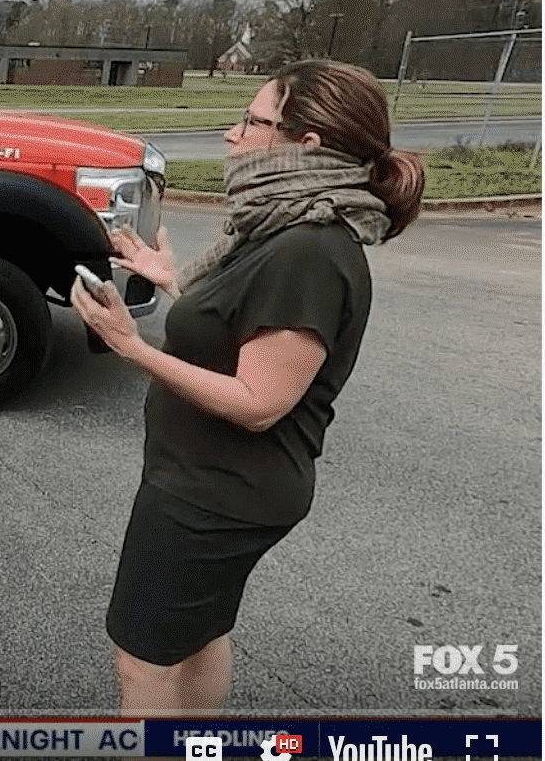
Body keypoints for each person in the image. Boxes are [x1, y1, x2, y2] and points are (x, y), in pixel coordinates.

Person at [70, 59, 424, 714]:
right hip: (213, 483)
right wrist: (164, 274)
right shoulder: (284, 228)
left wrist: (130, 347)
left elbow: (261, 404)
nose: (232, 136)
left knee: (140, 660)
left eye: (252, 121)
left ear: (305, 144)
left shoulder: (309, 249)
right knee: (199, 637)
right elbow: (241, 323)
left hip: (215, 497)